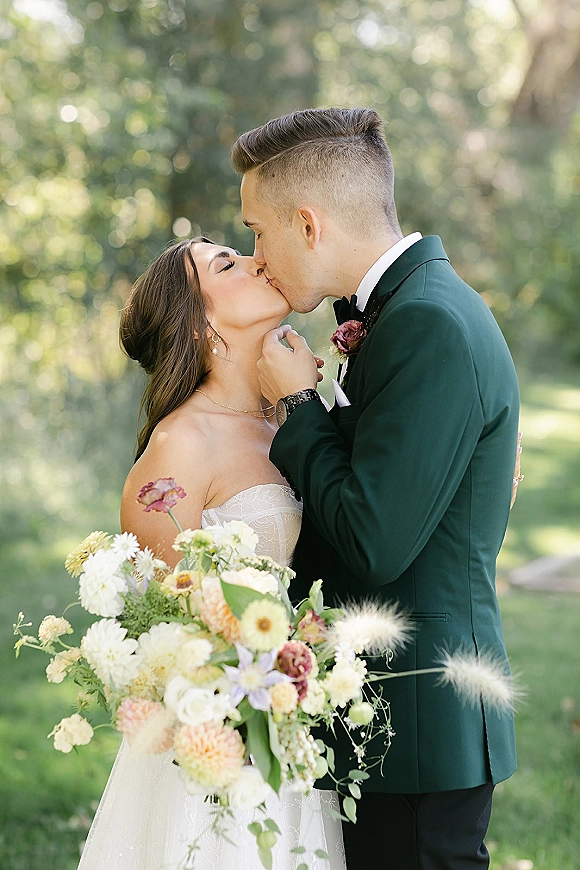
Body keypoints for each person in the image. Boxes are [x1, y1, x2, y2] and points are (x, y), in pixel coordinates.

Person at [231, 107, 520, 870]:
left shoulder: (427, 321)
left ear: (307, 223)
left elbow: (375, 539)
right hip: (394, 717)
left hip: (418, 719)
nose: (256, 258)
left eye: (257, 232)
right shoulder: (412, 308)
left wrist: (299, 405)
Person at [77, 237, 345, 870]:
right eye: (227, 263)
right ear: (197, 324)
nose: (258, 259)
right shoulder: (181, 445)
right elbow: (161, 629)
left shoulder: (297, 413)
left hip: (302, 717)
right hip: (219, 745)